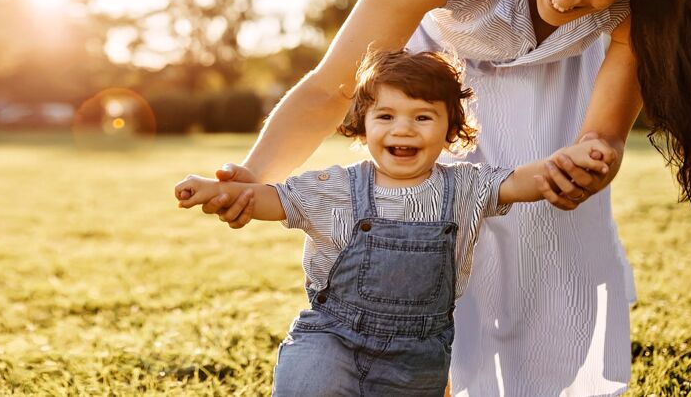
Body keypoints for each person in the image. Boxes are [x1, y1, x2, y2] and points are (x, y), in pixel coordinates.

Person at [191, 0, 691, 394]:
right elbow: (330, 88)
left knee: (544, 246)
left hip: (556, 90)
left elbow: (601, 134)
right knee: (430, 230)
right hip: (441, 89)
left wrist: (593, 155)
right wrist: (252, 179)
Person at [176, 49, 612, 395]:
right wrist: (220, 190)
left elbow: (521, 182)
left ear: (450, 130)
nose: (403, 129)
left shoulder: (465, 189)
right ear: (363, 127)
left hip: (417, 358)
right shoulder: (335, 186)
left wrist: (567, 161)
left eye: (423, 117)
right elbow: (271, 198)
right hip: (332, 339)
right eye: (386, 116)